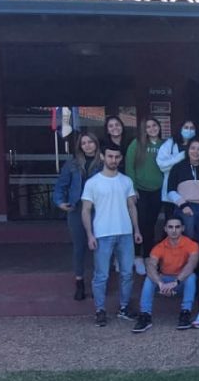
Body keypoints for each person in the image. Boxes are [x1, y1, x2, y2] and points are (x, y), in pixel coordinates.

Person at [81, 143, 142, 327]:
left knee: (126, 274)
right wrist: (90, 235)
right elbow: (85, 210)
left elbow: (132, 206)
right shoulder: (93, 183)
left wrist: (136, 230)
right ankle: (100, 310)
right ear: (102, 157)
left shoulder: (126, 181)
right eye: (110, 156)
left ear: (120, 159)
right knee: (101, 275)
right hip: (102, 234)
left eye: (116, 157)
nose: (113, 160)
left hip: (125, 233)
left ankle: (124, 308)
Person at [52, 131, 102, 301]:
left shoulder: (103, 163)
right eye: (84, 143)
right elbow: (61, 185)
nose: (87, 145)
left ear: (96, 143)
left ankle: (98, 284)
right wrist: (60, 202)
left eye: (90, 142)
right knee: (79, 247)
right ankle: (79, 282)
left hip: (99, 210)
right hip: (77, 209)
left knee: (99, 247)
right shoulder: (72, 164)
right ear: (80, 146)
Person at [136, 215, 199, 334]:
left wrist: (175, 282)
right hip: (164, 281)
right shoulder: (159, 246)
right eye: (170, 227)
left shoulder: (191, 244)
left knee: (191, 276)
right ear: (165, 229)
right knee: (149, 278)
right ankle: (145, 315)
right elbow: (150, 266)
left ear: (183, 228)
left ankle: (185, 313)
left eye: (177, 227)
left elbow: (191, 265)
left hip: (180, 281)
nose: (174, 230)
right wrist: (160, 284)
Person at [126, 117, 165, 275]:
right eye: (148, 126)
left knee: (151, 224)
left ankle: (148, 255)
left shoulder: (164, 145)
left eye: (154, 125)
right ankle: (137, 256)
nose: (152, 128)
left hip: (157, 190)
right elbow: (129, 167)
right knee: (140, 224)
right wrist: (133, 188)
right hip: (140, 190)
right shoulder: (137, 144)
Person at [165, 138, 199, 242]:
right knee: (188, 238)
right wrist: (183, 205)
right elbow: (171, 190)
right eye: (193, 148)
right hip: (185, 207)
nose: (196, 152)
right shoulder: (178, 168)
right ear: (187, 150)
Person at [156, 119, 198, 212]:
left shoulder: (198, 146)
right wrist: (182, 155)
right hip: (172, 190)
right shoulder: (170, 144)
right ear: (180, 129)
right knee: (171, 222)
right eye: (186, 127)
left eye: (192, 128)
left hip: (191, 192)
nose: (189, 130)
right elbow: (162, 165)